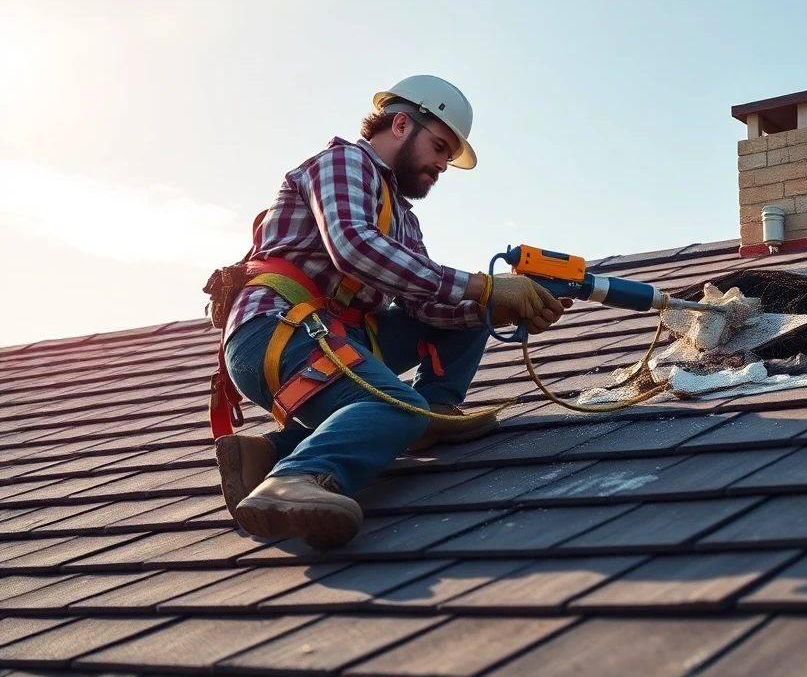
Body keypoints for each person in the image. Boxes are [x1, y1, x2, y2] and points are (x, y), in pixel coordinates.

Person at [210, 75, 566, 549]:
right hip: (274, 330)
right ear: (401, 123)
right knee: (394, 405)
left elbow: (428, 301)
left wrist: (498, 306)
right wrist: (484, 286)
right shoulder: (342, 162)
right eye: (439, 147)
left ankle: (272, 451)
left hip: (335, 337)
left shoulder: (402, 216)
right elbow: (354, 247)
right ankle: (295, 478)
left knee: (470, 308)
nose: (441, 164)